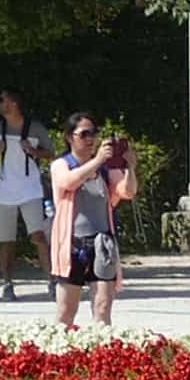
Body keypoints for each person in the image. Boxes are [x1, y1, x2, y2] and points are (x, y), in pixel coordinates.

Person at [49, 116, 131, 328]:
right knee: (66, 311)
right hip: (71, 245)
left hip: (102, 243)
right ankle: (59, 354)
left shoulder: (105, 169)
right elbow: (68, 182)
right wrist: (96, 161)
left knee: (102, 307)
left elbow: (126, 192)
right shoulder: (61, 164)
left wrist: (129, 168)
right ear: (69, 137)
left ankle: (101, 354)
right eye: (83, 134)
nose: (90, 139)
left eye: (92, 133)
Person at [0, 91, 52, 298]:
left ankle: (52, 280)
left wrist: (34, 151)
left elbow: (51, 153)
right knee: (5, 240)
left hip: (30, 189)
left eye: (2, 101)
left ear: (14, 103)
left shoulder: (35, 128)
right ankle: (7, 284)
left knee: (39, 236)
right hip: (5, 191)